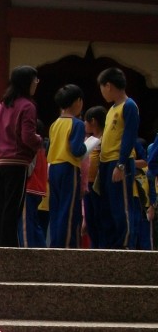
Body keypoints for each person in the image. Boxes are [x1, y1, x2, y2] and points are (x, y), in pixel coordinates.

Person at [0, 65, 43, 247]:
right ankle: (10, 247)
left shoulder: (1, 105)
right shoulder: (28, 106)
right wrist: (40, 141)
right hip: (16, 161)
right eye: (35, 80)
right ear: (27, 82)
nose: (36, 83)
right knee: (13, 206)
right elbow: (27, 136)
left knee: (1, 204)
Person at [96, 67, 140, 249]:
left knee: (121, 206)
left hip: (119, 162)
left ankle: (124, 244)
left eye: (102, 88)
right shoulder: (111, 109)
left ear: (108, 86)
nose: (102, 92)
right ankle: (110, 245)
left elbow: (129, 136)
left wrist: (121, 164)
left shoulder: (129, 106)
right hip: (105, 162)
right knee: (107, 207)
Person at [47, 85, 87, 248]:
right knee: (69, 209)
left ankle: (56, 243)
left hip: (53, 167)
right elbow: (77, 150)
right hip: (68, 167)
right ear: (78, 101)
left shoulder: (55, 124)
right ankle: (67, 246)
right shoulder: (77, 124)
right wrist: (86, 147)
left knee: (56, 208)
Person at [81, 106, 106, 248]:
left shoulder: (104, 139)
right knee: (90, 218)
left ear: (93, 121)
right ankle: (94, 248)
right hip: (87, 184)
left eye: (86, 120)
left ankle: (102, 247)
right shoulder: (88, 139)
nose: (84, 124)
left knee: (99, 217)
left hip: (98, 184)